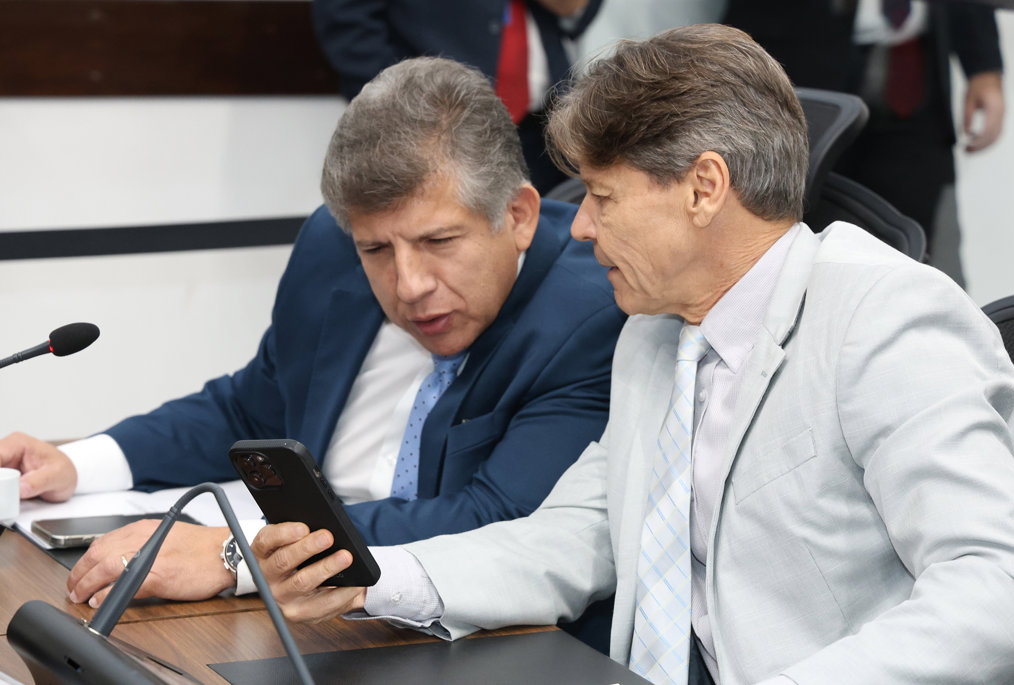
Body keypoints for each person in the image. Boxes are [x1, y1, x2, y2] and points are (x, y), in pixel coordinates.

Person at [250, 25, 1014, 685]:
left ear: (703, 188)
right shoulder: (655, 334)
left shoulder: (885, 317)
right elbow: (575, 534)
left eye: (602, 196)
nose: (582, 226)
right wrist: (372, 578)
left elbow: (999, 588)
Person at [0, 57, 624, 611]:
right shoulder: (331, 247)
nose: (408, 285)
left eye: (438, 241)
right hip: (289, 609)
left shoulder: (589, 311)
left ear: (517, 215)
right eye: (376, 250)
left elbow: (494, 516)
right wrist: (79, 462)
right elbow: (249, 408)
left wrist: (235, 554)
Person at [723, 0, 1005, 286]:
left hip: (912, 79)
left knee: (923, 265)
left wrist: (984, 66)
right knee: (788, 256)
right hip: (800, 70)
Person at [311, 0, 603, 195]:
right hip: (434, 124)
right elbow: (345, 18)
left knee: (553, 244)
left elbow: (579, 14)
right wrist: (399, 101)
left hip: (544, 124)